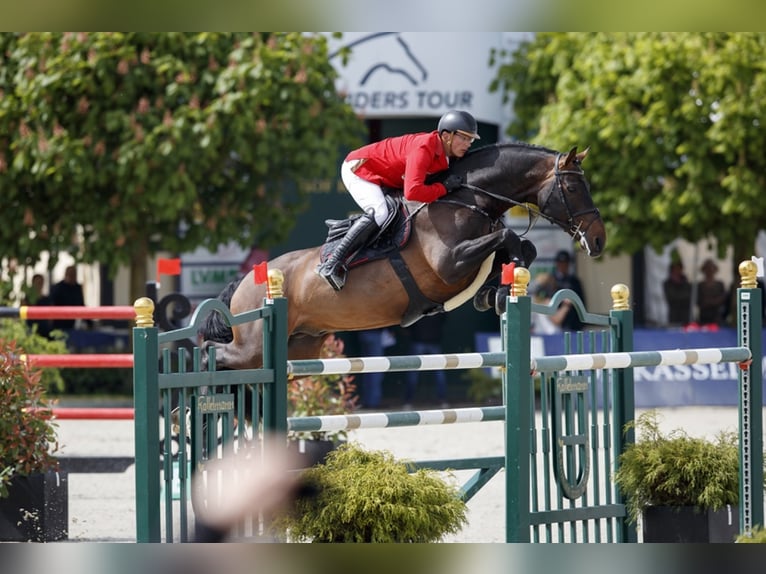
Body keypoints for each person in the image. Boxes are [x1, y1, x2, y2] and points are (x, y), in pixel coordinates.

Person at [316, 109, 480, 290]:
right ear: (447, 136)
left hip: (388, 177)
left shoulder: (448, 155)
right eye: (463, 138)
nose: (467, 144)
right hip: (360, 170)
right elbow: (412, 192)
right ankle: (332, 263)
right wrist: (444, 188)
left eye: (470, 139)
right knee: (380, 213)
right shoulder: (424, 147)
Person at [403, 313, 448, 409]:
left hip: (420, 339)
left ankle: (408, 401)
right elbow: (444, 317)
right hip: (429, 340)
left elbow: (408, 320)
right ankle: (442, 400)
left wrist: (411, 331)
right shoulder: (436, 304)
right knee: (438, 372)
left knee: (414, 372)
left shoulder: (419, 303)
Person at [552, 250, 586, 331]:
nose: (563, 265)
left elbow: (582, 302)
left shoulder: (574, 281)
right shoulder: (552, 280)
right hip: (556, 325)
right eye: (561, 262)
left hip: (574, 324)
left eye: (565, 263)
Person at [50, 265, 85, 330]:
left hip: (72, 322)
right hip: (59, 322)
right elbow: (52, 304)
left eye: (74, 274)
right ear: (66, 274)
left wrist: (89, 322)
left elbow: (81, 304)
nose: (72, 277)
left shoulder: (77, 288)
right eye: (70, 274)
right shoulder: (58, 288)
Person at [697, 258, 728, 326]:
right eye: (707, 269)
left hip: (717, 316)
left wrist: (713, 302)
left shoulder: (720, 284)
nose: (709, 271)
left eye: (711, 268)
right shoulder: (700, 285)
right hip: (703, 316)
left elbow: (723, 297)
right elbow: (698, 300)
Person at [22, 273, 53, 338]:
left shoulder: (47, 299)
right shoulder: (26, 299)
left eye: (41, 282)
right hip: (30, 329)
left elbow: (51, 317)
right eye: (37, 282)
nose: (39, 285)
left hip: (44, 331)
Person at [663, 260, 692, 326]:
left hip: (685, 314)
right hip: (674, 314)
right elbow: (671, 297)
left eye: (679, 268)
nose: (677, 271)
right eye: (675, 269)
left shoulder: (686, 283)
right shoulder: (667, 283)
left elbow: (688, 296)